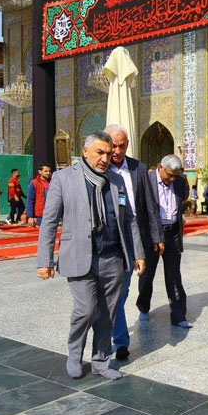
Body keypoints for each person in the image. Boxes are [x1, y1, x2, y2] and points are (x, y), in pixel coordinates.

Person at [36, 131, 145, 381]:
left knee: (108, 313)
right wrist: (44, 260)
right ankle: (75, 355)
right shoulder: (64, 178)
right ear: (85, 151)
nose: (105, 158)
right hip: (79, 256)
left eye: (108, 153)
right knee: (85, 310)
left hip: (112, 258)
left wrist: (138, 253)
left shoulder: (116, 181)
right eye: (99, 152)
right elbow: (49, 222)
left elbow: (129, 220)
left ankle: (100, 361)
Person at [105, 124, 163, 361]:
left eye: (122, 146)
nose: (117, 151)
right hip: (109, 239)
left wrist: (156, 236)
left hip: (133, 238)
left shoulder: (138, 168)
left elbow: (149, 204)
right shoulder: (99, 167)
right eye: (113, 146)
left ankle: (115, 334)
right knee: (111, 294)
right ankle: (119, 339)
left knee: (122, 291)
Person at [136, 154, 192, 327]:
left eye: (175, 175)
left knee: (174, 274)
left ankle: (179, 316)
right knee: (147, 274)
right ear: (160, 167)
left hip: (172, 233)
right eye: (169, 175)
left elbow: (183, 198)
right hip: (151, 235)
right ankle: (143, 307)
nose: (172, 179)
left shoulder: (180, 181)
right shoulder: (147, 180)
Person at [26, 162, 53, 227]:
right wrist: (30, 216)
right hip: (41, 215)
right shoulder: (34, 183)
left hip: (53, 213)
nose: (48, 173)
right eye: (46, 171)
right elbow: (30, 200)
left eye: (49, 171)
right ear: (40, 172)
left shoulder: (54, 182)